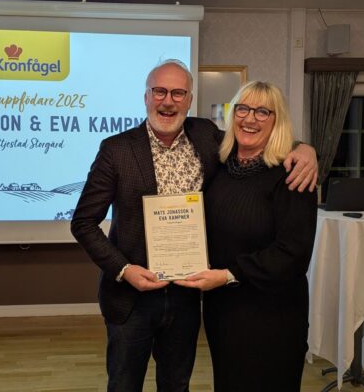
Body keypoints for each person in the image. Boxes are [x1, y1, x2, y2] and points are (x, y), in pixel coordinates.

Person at [70, 60, 317, 392]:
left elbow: (263, 137)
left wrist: (305, 149)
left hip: (187, 297)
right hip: (132, 299)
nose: (168, 101)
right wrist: (125, 270)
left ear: (189, 100)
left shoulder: (205, 137)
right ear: (146, 97)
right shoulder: (116, 150)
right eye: (159, 91)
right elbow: (83, 222)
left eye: (178, 93)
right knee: (124, 385)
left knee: (177, 385)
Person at [175, 81, 318, 391]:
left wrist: (228, 275)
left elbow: (293, 254)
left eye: (263, 112)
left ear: (277, 120)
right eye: (243, 109)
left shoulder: (293, 173)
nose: (250, 118)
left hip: (273, 317)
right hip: (223, 312)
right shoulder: (220, 167)